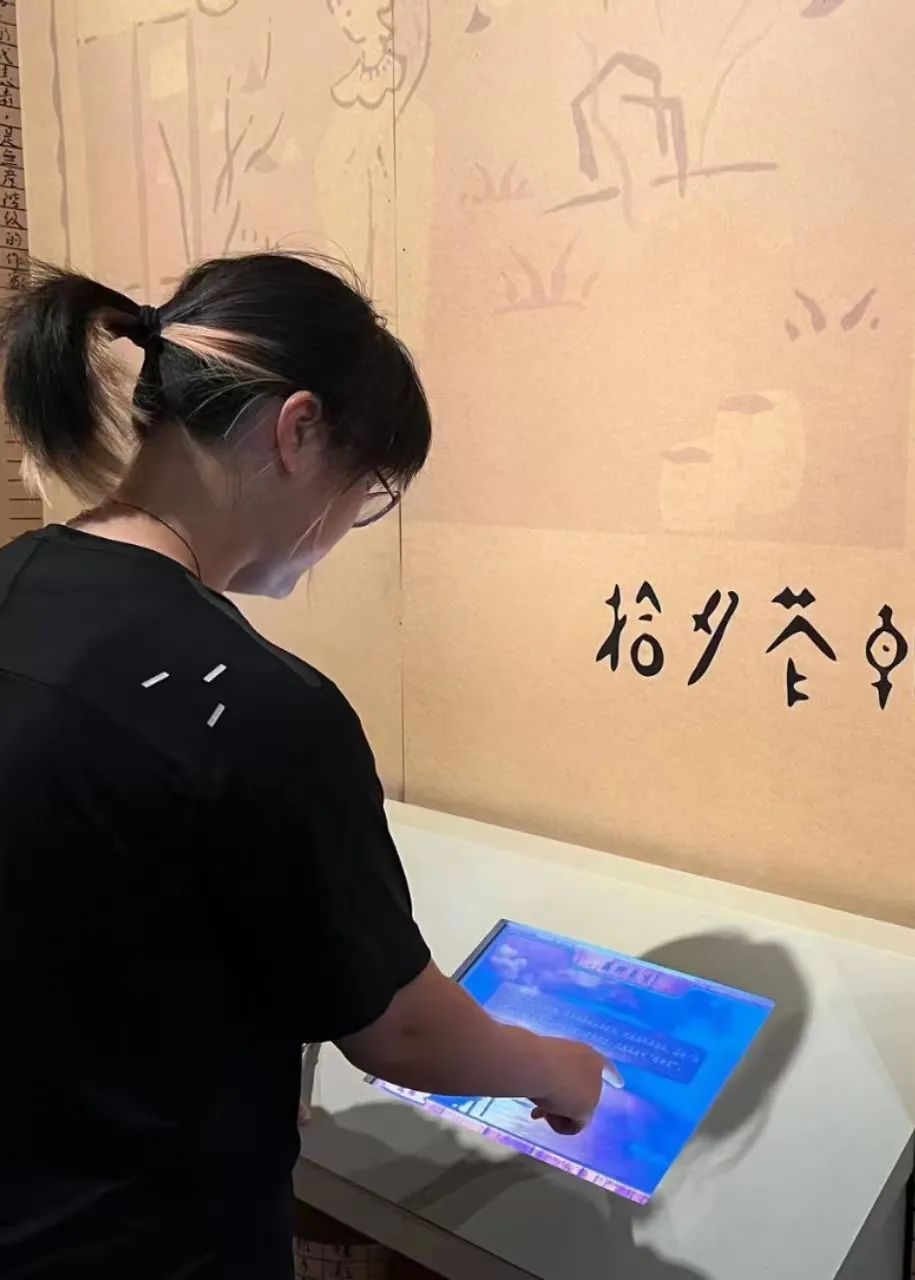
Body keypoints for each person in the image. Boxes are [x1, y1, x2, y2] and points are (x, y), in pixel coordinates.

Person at [0, 253, 604, 1280]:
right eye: (364, 492)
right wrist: (559, 1069)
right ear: (298, 430)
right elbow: (405, 1034)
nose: (340, 531)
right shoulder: (266, 707)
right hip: (143, 1241)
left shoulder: (16, 581)